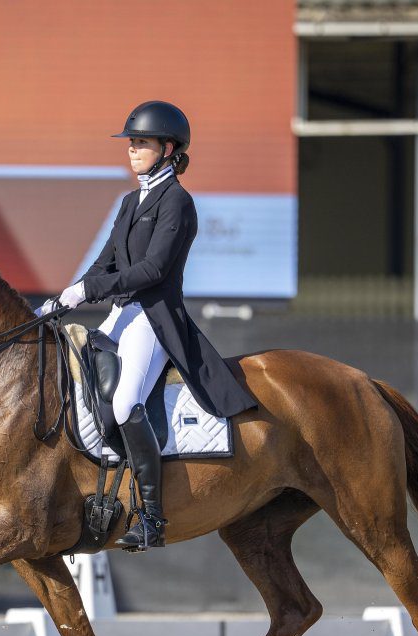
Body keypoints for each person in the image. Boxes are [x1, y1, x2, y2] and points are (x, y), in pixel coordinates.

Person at [40, 100, 258, 550]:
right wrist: (65, 297)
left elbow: (154, 270)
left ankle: (153, 517)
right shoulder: (129, 201)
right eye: (132, 143)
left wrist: (90, 292)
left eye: (141, 143)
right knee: (82, 390)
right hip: (122, 315)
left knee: (123, 404)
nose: (132, 150)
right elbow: (105, 262)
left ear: (167, 148)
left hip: (155, 319)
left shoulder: (177, 202)